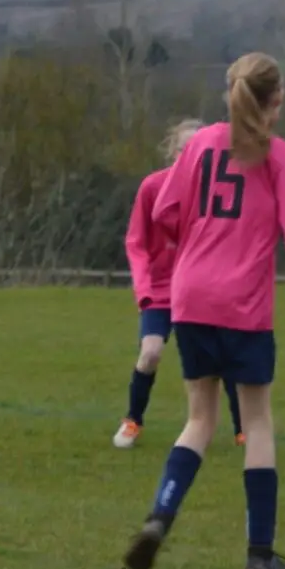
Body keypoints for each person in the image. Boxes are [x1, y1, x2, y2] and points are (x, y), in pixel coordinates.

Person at [121, 53, 285, 569]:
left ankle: (159, 518)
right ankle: (260, 554)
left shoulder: (198, 143)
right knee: (256, 421)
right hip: (243, 305)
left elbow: (165, 210)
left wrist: (196, 248)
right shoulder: (279, 157)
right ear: (277, 101)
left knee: (199, 419)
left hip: (190, 299)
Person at [114, 119, 244, 450]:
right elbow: (136, 242)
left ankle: (243, 429)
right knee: (151, 353)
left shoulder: (214, 193)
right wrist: (145, 291)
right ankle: (132, 421)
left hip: (201, 288)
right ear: (172, 153)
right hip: (160, 291)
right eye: (185, 149)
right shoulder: (152, 188)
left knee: (224, 355)